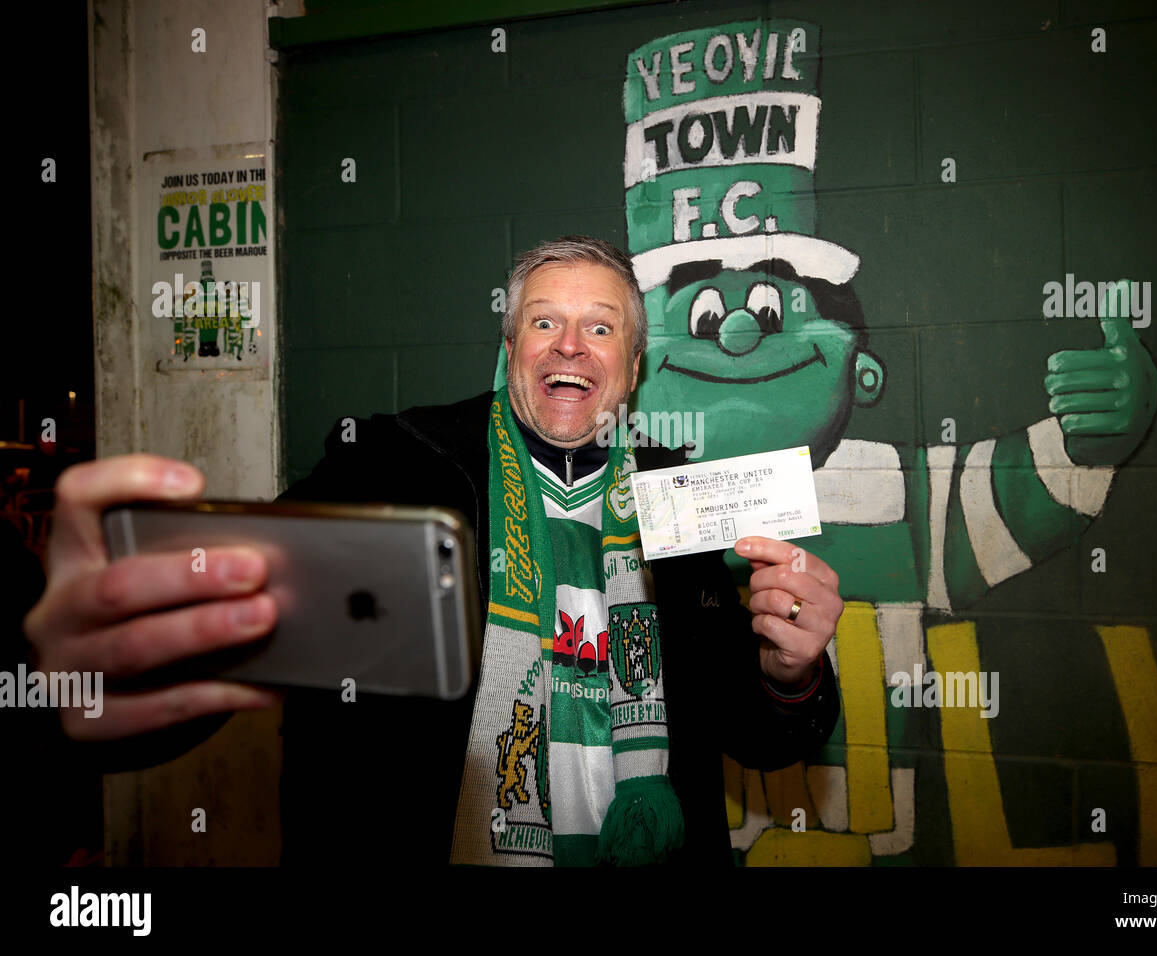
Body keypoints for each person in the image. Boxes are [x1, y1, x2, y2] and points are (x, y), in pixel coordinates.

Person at [23, 235, 845, 867]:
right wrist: (109, 655)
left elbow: (755, 732)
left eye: (600, 328)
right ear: (511, 348)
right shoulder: (397, 462)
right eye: (544, 322)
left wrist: (791, 676)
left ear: (631, 367)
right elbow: (233, 620)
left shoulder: (683, 501)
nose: (570, 346)